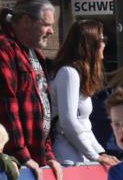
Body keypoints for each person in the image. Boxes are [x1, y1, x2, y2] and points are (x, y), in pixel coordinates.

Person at [0, 0, 63, 180]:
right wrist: (22, 155)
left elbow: (43, 107)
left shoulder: (35, 53)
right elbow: (5, 106)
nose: (51, 31)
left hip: (31, 159)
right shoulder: (0, 48)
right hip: (7, 163)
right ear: (26, 21)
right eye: (46, 24)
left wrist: (48, 154)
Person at [48, 19, 119, 166]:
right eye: (102, 40)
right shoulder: (69, 73)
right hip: (67, 157)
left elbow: (84, 124)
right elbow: (67, 122)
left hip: (79, 155)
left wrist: (99, 152)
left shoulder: (77, 74)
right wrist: (95, 155)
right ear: (90, 44)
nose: (104, 44)